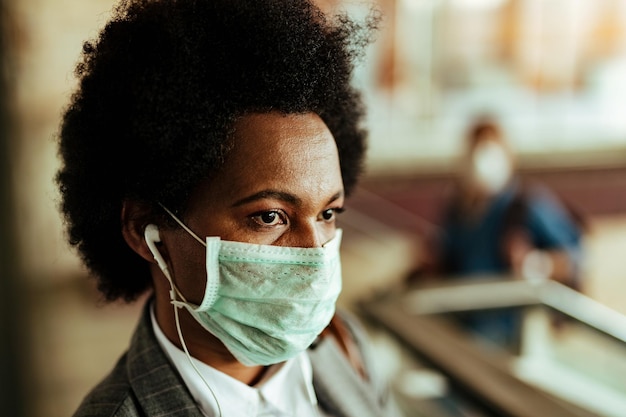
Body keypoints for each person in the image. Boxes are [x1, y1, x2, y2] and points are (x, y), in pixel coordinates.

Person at [56, 1, 399, 416]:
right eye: (270, 216)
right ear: (147, 230)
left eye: (327, 214)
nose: (315, 255)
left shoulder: (344, 347)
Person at [408, 117, 584, 351]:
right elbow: (447, 260)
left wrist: (537, 263)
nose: (482, 159)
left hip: (512, 338)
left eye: (490, 149)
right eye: (476, 150)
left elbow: (577, 258)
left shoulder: (527, 204)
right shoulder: (457, 210)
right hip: (462, 334)